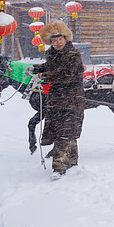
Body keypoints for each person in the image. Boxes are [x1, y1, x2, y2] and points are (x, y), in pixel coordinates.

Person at [26, 21, 85, 176]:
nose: (58, 42)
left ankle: (58, 168)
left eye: (60, 39)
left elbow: (65, 74)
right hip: (57, 98)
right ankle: (72, 162)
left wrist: (43, 76)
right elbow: (51, 66)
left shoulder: (73, 55)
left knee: (64, 131)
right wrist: (36, 68)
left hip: (72, 98)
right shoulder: (52, 54)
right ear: (50, 42)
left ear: (65, 39)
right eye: (54, 40)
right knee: (66, 130)